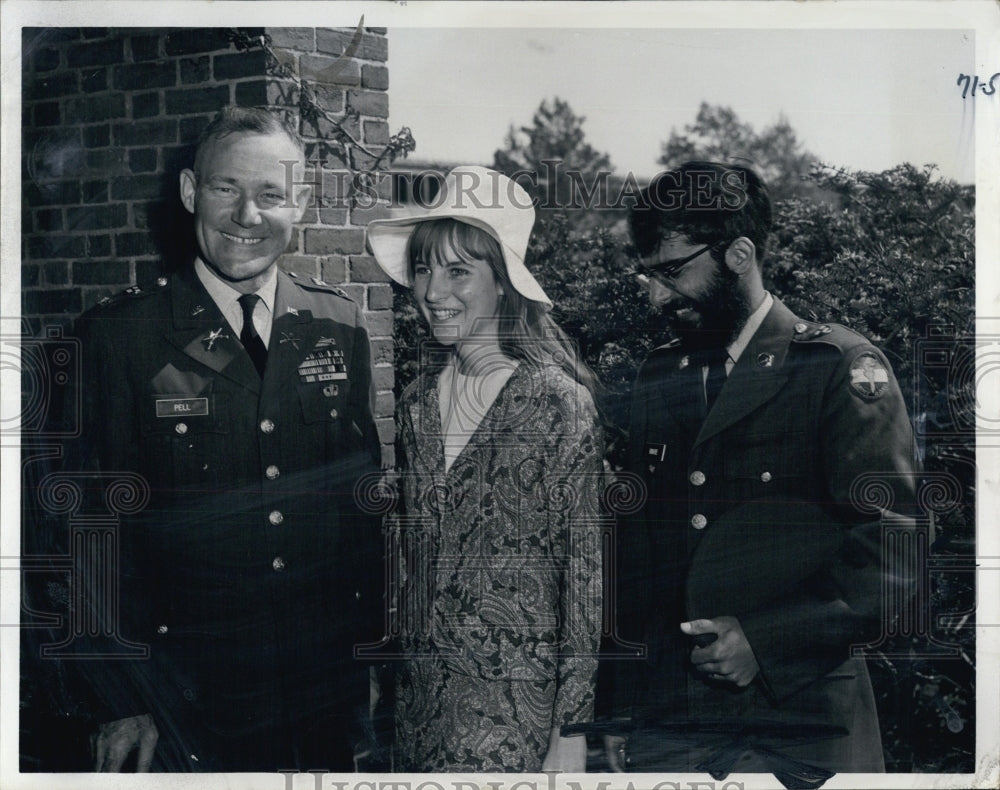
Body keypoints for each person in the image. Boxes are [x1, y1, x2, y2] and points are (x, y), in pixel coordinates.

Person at [57, 106, 382, 772]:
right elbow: (82, 535)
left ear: (301, 203)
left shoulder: (336, 324)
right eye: (226, 188)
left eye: (270, 194)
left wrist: (362, 668)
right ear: (188, 193)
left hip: (319, 701)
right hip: (184, 704)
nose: (246, 215)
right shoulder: (120, 339)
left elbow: (359, 516)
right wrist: (119, 696)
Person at [601, 161, 919, 783]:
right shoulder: (658, 374)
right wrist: (621, 710)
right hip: (675, 724)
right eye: (647, 276)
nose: (656, 296)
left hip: (802, 724)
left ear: (739, 254)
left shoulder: (838, 366)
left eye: (671, 272)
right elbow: (638, 556)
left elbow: (893, 554)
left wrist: (766, 642)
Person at [367, 166, 604, 772]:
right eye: (422, 269)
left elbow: (582, 578)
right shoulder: (417, 402)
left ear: (503, 283)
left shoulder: (557, 401)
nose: (431, 290)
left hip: (517, 725)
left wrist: (571, 731)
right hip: (421, 716)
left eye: (457, 271)